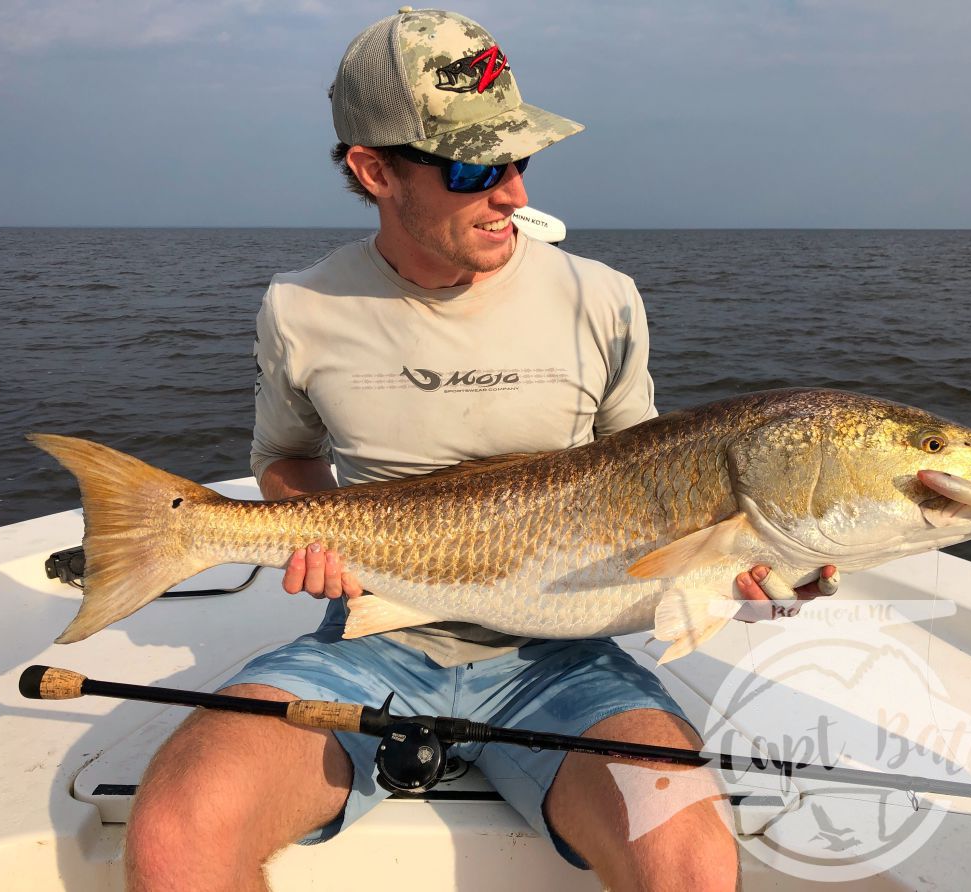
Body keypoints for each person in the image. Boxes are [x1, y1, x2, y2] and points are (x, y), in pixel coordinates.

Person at [125, 9, 837, 891]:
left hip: (564, 653)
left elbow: (655, 483)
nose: (513, 195)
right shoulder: (301, 307)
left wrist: (758, 566)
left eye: (519, 159)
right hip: (368, 636)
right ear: (374, 170)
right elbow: (287, 462)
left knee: (688, 852)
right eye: (473, 167)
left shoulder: (604, 298)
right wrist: (300, 540)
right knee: (174, 833)